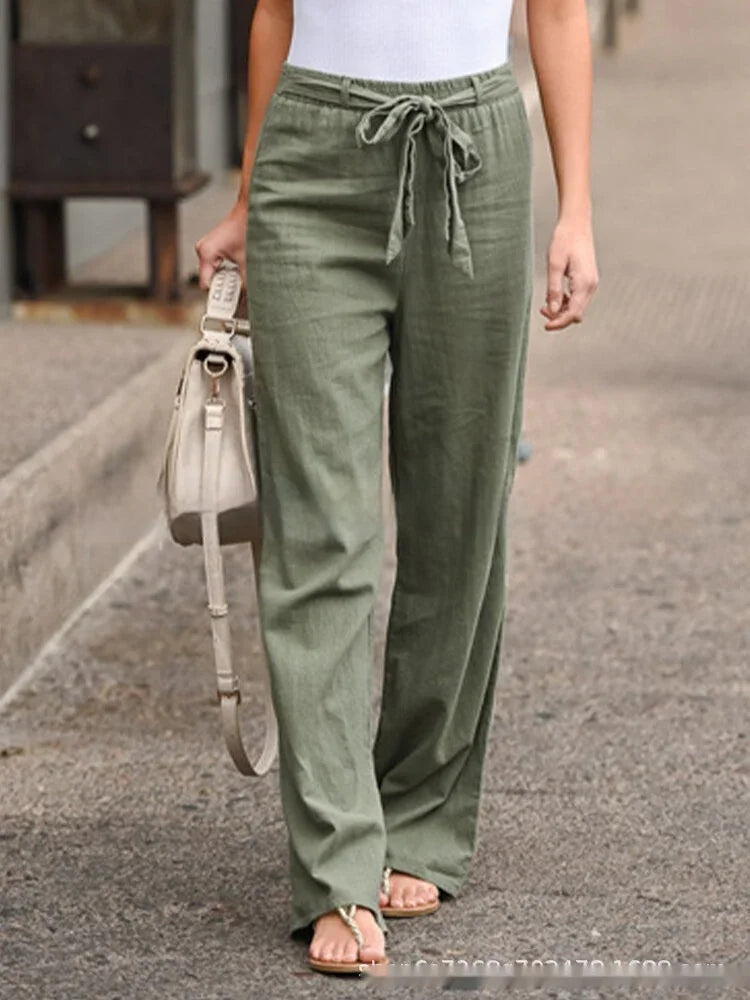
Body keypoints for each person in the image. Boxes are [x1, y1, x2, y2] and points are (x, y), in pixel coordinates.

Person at [194, 0, 599, 976]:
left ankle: (419, 808)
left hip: (477, 150)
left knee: (458, 515)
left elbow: (557, 10)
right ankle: (337, 863)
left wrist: (577, 209)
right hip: (310, 161)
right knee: (319, 528)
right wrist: (251, 194)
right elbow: (272, 14)